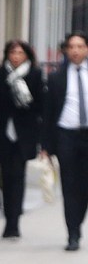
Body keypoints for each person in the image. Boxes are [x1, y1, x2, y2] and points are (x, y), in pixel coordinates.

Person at [0, 39, 45, 239]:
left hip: (23, 136)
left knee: (17, 177)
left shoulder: (35, 75)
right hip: (2, 135)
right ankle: (9, 214)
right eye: (12, 52)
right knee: (6, 178)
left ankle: (13, 223)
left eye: (20, 53)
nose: (16, 56)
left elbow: (40, 107)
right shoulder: (0, 74)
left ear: (27, 55)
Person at [43, 31, 88, 251]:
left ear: (86, 49)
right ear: (66, 50)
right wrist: (46, 146)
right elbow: (48, 113)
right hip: (66, 135)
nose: (76, 51)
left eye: (80, 46)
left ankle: (77, 221)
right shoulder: (56, 77)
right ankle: (73, 234)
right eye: (72, 47)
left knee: (84, 187)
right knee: (69, 186)